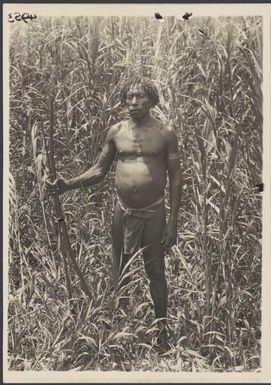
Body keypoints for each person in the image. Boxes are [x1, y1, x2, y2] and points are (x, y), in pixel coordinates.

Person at [46, 76, 182, 350]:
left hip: (154, 212)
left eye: (140, 96)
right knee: (120, 269)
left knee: (155, 271)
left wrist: (173, 223)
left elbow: (176, 178)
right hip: (123, 210)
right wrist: (66, 185)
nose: (134, 101)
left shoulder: (165, 133)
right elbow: (98, 171)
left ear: (152, 100)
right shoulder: (116, 131)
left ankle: (162, 332)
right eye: (129, 97)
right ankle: (121, 330)